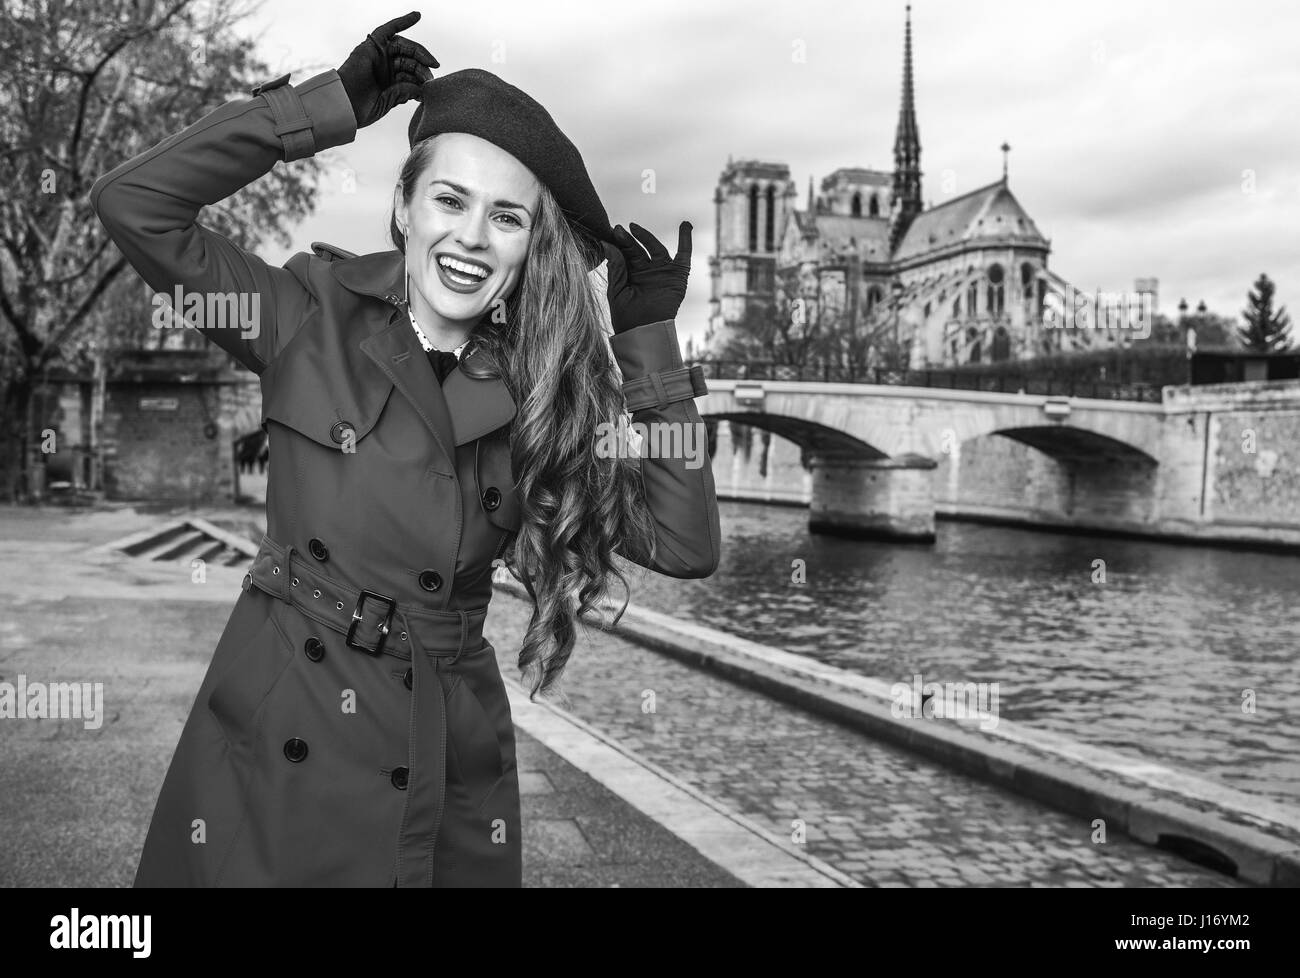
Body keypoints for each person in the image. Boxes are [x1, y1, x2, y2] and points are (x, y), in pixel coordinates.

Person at [89, 11, 721, 888]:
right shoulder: (303, 317)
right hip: (283, 716)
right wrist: (320, 109)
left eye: (506, 217)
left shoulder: (545, 392)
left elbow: (684, 544)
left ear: (529, 246)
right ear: (403, 206)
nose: (470, 237)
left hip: (437, 744)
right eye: (450, 200)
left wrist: (650, 344)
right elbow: (135, 205)